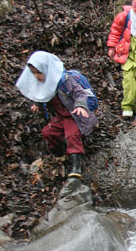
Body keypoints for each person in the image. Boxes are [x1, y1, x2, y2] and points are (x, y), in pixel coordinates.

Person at [15, 51, 98, 180]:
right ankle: (59, 152)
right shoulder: (44, 82)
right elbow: (42, 93)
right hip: (60, 116)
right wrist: (37, 104)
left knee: (72, 136)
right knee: (47, 132)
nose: (37, 76)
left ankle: (76, 165)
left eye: (39, 72)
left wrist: (81, 105)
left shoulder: (65, 80)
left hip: (73, 115)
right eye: (34, 73)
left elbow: (80, 93)